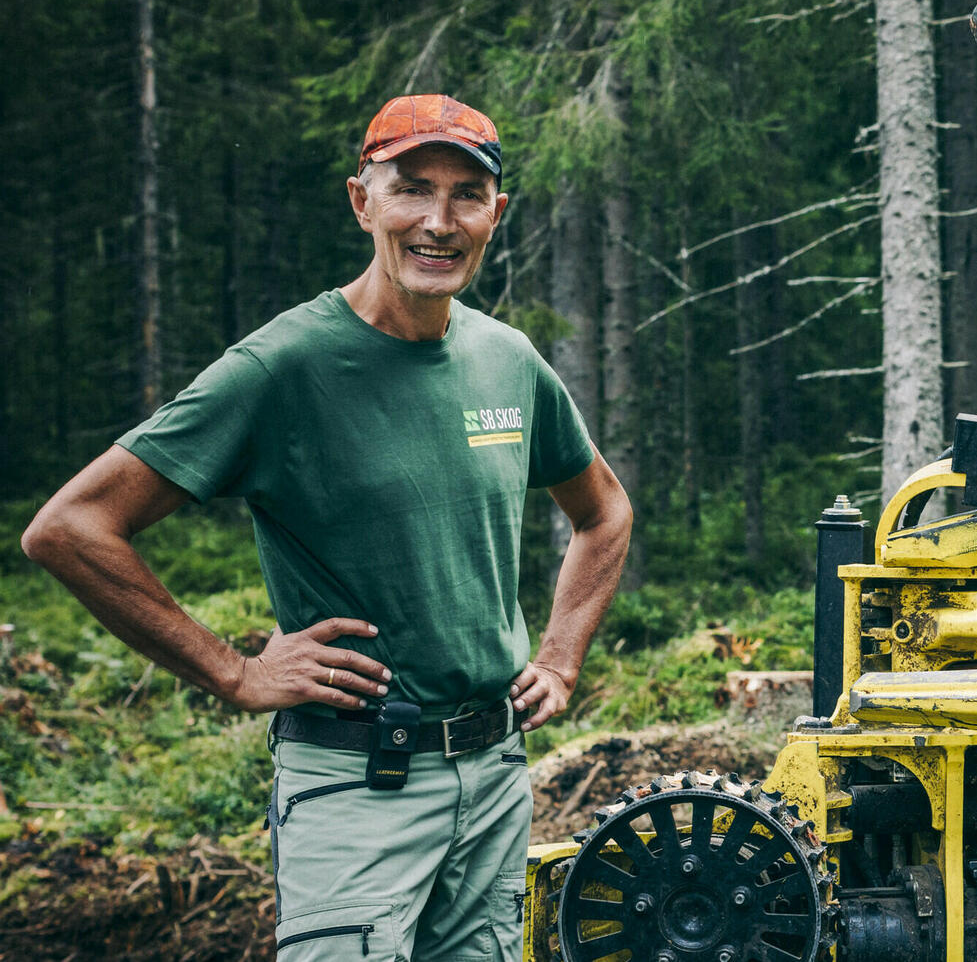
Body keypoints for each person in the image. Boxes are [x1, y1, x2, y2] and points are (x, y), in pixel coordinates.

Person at [21, 94, 632, 960]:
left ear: (497, 215)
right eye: (411, 189)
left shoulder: (509, 359)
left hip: (495, 780)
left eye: (466, 195)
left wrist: (562, 655)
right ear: (362, 201)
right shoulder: (284, 366)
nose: (438, 221)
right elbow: (72, 527)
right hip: (357, 784)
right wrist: (235, 672)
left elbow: (604, 511)